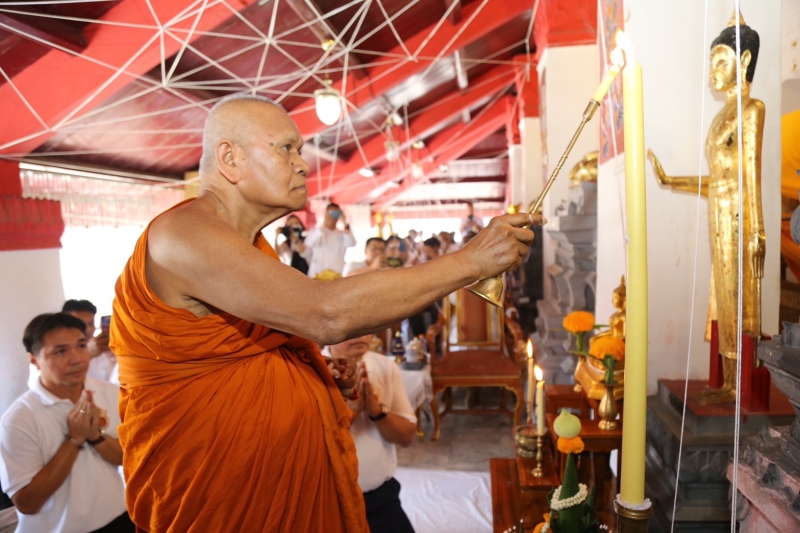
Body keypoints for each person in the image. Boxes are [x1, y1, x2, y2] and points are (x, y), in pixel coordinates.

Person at [109, 93, 538, 533]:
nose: (302, 164)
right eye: (286, 148)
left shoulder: (247, 246)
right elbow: (326, 313)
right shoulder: (183, 234)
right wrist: (471, 262)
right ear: (229, 159)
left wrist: (306, 372)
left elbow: (250, 347)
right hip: (215, 500)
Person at [0, 313, 131, 533]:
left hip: (118, 517)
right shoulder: (19, 419)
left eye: (81, 346)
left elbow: (125, 459)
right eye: (60, 351)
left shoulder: (109, 392)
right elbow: (27, 503)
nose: (77, 359)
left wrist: (96, 436)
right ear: (34, 360)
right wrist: (74, 439)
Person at [329, 334, 417, 533]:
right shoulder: (310, 370)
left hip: (380, 498)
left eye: (366, 324)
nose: (360, 334)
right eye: (352, 326)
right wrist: (351, 412)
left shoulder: (385, 366)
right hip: (329, 501)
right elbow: (309, 447)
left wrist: (378, 413)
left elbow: (406, 437)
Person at [62, 299, 116, 382]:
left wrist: (117, 360)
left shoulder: (102, 348)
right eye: (80, 324)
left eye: (91, 323)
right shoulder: (57, 351)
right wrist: (88, 353)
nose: (88, 330)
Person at [305, 203, 356, 279]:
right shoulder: (317, 231)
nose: (333, 216)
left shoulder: (343, 233)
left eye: (336, 214)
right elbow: (308, 243)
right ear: (325, 214)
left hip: (336, 273)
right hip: (317, 274)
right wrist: (323, 224)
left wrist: (345, 223)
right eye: (331, 213)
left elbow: (352, 243)